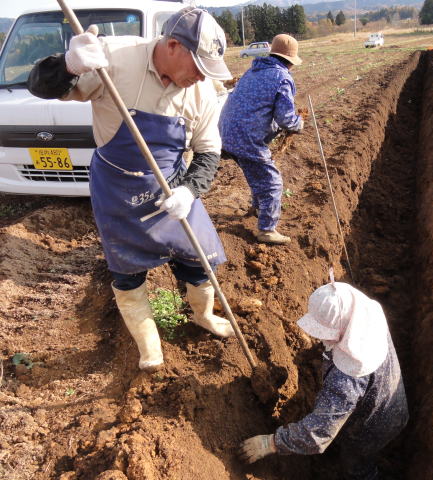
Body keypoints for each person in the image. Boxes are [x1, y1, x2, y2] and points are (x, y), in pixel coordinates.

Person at [28, 7, 235, 372]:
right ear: (173, 46)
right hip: (116, 185)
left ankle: (203, 315)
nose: (202, 77)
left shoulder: (201, 91)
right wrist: (68, 66)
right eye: (198, 66)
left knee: (197, 257)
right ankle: (149, 346)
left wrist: (188, 191)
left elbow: (208, 152)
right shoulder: (113, 58)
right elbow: (41, 86)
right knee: (126, 270)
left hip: (170, 183)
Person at [239, 281, 409, 479]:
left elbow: (317, 434)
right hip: (392, 405)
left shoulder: (346, 381)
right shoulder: (366, 318)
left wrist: (273, 443)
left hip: (367, 431)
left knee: (356, 467)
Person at [219, 34, 304, 245]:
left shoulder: (253, 70)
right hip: (246, 138)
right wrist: (298, 123)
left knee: (258, 174)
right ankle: (266, 229)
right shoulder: (283, 77)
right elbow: (285, 119)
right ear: (290, 61)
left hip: (226, 134)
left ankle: (258, 208)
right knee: (272, 183)